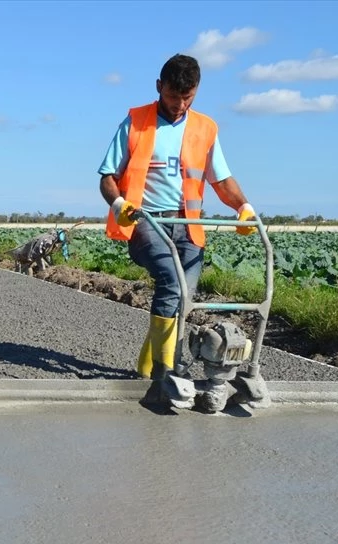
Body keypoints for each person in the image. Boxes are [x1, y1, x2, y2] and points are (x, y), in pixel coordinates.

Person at [97, 53, 257, 388]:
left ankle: (146, 366)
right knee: (171, 281)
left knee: (185, 297)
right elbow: (107, 177)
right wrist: (120, 203)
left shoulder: (205, 129)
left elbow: (222, 180)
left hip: (189, 226)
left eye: (188, 97)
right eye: (173, 96)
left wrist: (243, 206)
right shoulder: (136, 122)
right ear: (159, 87)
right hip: (145, 221)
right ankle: (164, 373)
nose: (180, 105)